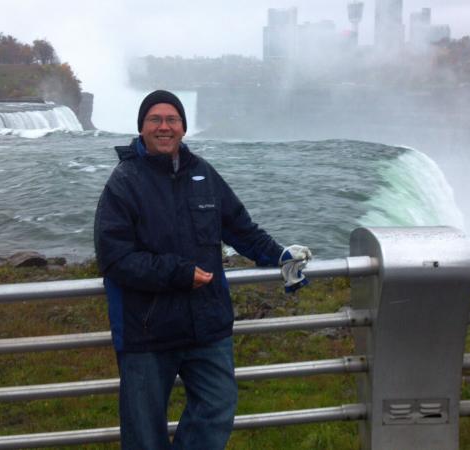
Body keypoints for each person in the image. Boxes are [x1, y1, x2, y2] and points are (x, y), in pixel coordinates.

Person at [94, 90, 312, 450]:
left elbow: (241, 228)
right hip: (147, 330)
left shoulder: (203, 174)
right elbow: (114, 258)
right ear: (142, 128)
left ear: (183, 127)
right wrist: (178, 273)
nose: (164, 127)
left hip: (206, 325)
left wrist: (279, 255)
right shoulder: (124, 182)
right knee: (144, 435)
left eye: (172, 120)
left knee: (218, 407)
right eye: (155, 119)